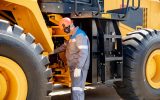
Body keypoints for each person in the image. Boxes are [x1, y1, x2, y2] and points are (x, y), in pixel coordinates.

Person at [52, 17, 90, 100]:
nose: (63, 31)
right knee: (74, 88)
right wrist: (52, 52)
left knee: (77, 89)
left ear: (67, 27)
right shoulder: (72, 36)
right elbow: (64, 47)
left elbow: (83, 53)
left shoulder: (80, 35)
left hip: (79, 67)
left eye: (63, 29)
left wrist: (79, 67)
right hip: (74, 66)